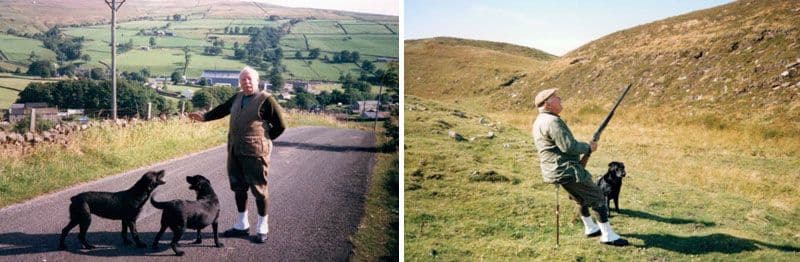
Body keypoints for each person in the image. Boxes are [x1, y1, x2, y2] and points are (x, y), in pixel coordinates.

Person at [188, 66, 287, 244]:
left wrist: (265, 139)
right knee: (238, 187)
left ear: (257, 81)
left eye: (250, 79)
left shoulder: (266, 100)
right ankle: (242, 225)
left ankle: (262, 227)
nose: (246, 82)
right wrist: (204, 117)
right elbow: (222, 109)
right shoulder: (238, 97)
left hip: (256, 153)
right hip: (234, 150)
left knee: (259, 190)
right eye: (243, 80)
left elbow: (281, 126)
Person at [531, 88, 629, 246]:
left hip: (556, 170)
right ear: (548, 104)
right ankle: (608, 236)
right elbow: (568, 147)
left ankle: (590, 227)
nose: (560, 98)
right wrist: (588, 147)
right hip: (567, 170)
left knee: (581, 198)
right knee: (598, 197)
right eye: (556, 98)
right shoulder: (552, 121)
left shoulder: (540, 120)